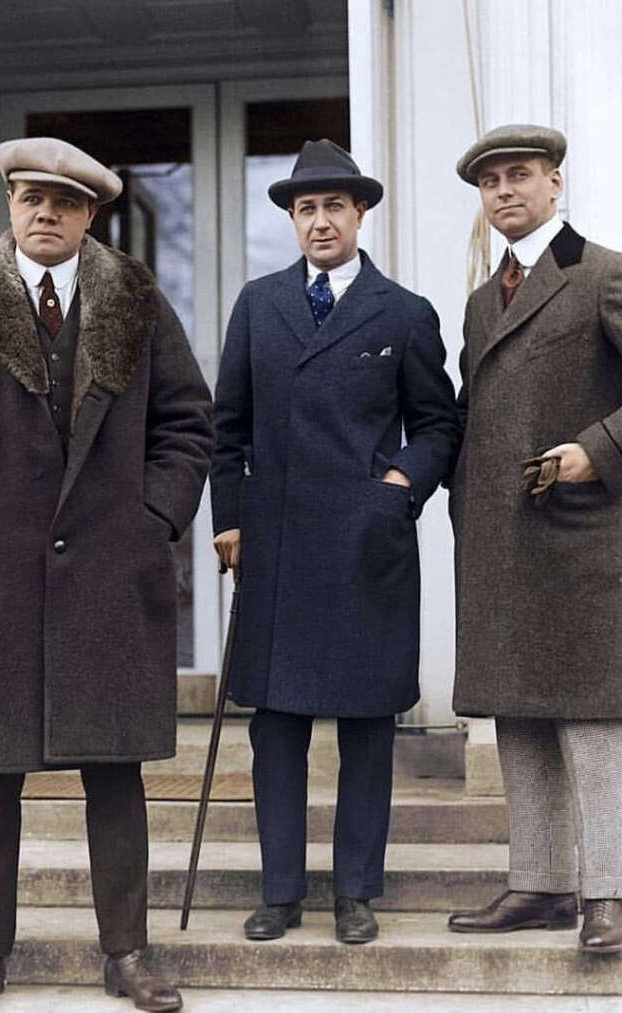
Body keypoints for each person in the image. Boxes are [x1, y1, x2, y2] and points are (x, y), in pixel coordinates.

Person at [0, 137, 212, 1012]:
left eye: (64, 203)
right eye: (31, 198)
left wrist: (155, 520)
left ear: (90, 215)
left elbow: (187, 422)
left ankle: (128, 953)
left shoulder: (135, 302)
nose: (45, 214)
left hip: (110, 575)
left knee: (117, 774)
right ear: (12, 204)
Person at [211, 139, 461, 946]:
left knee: (365, 724)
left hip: (365, 546)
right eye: (305, 209)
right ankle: (280, 889)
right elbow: (227, 428)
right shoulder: (258, 304)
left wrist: (398, 490)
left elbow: (439, 424)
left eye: (334, 207)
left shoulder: (403, 312)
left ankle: (355, 889)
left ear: (360, 215)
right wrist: (228, 521)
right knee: (275, 726)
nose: (320, 222)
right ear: (292, 219)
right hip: (275, 546)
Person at [447, 124, 622, 954]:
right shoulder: (484, 300)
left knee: (591, 721)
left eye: (520, 176)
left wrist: (602, 448)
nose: (505, 191)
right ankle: (541, 882)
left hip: (585, 541)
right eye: (491, 183)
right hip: (501, 544)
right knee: (517, 717)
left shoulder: (603, 273)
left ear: (556, 184)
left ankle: (609, 892)